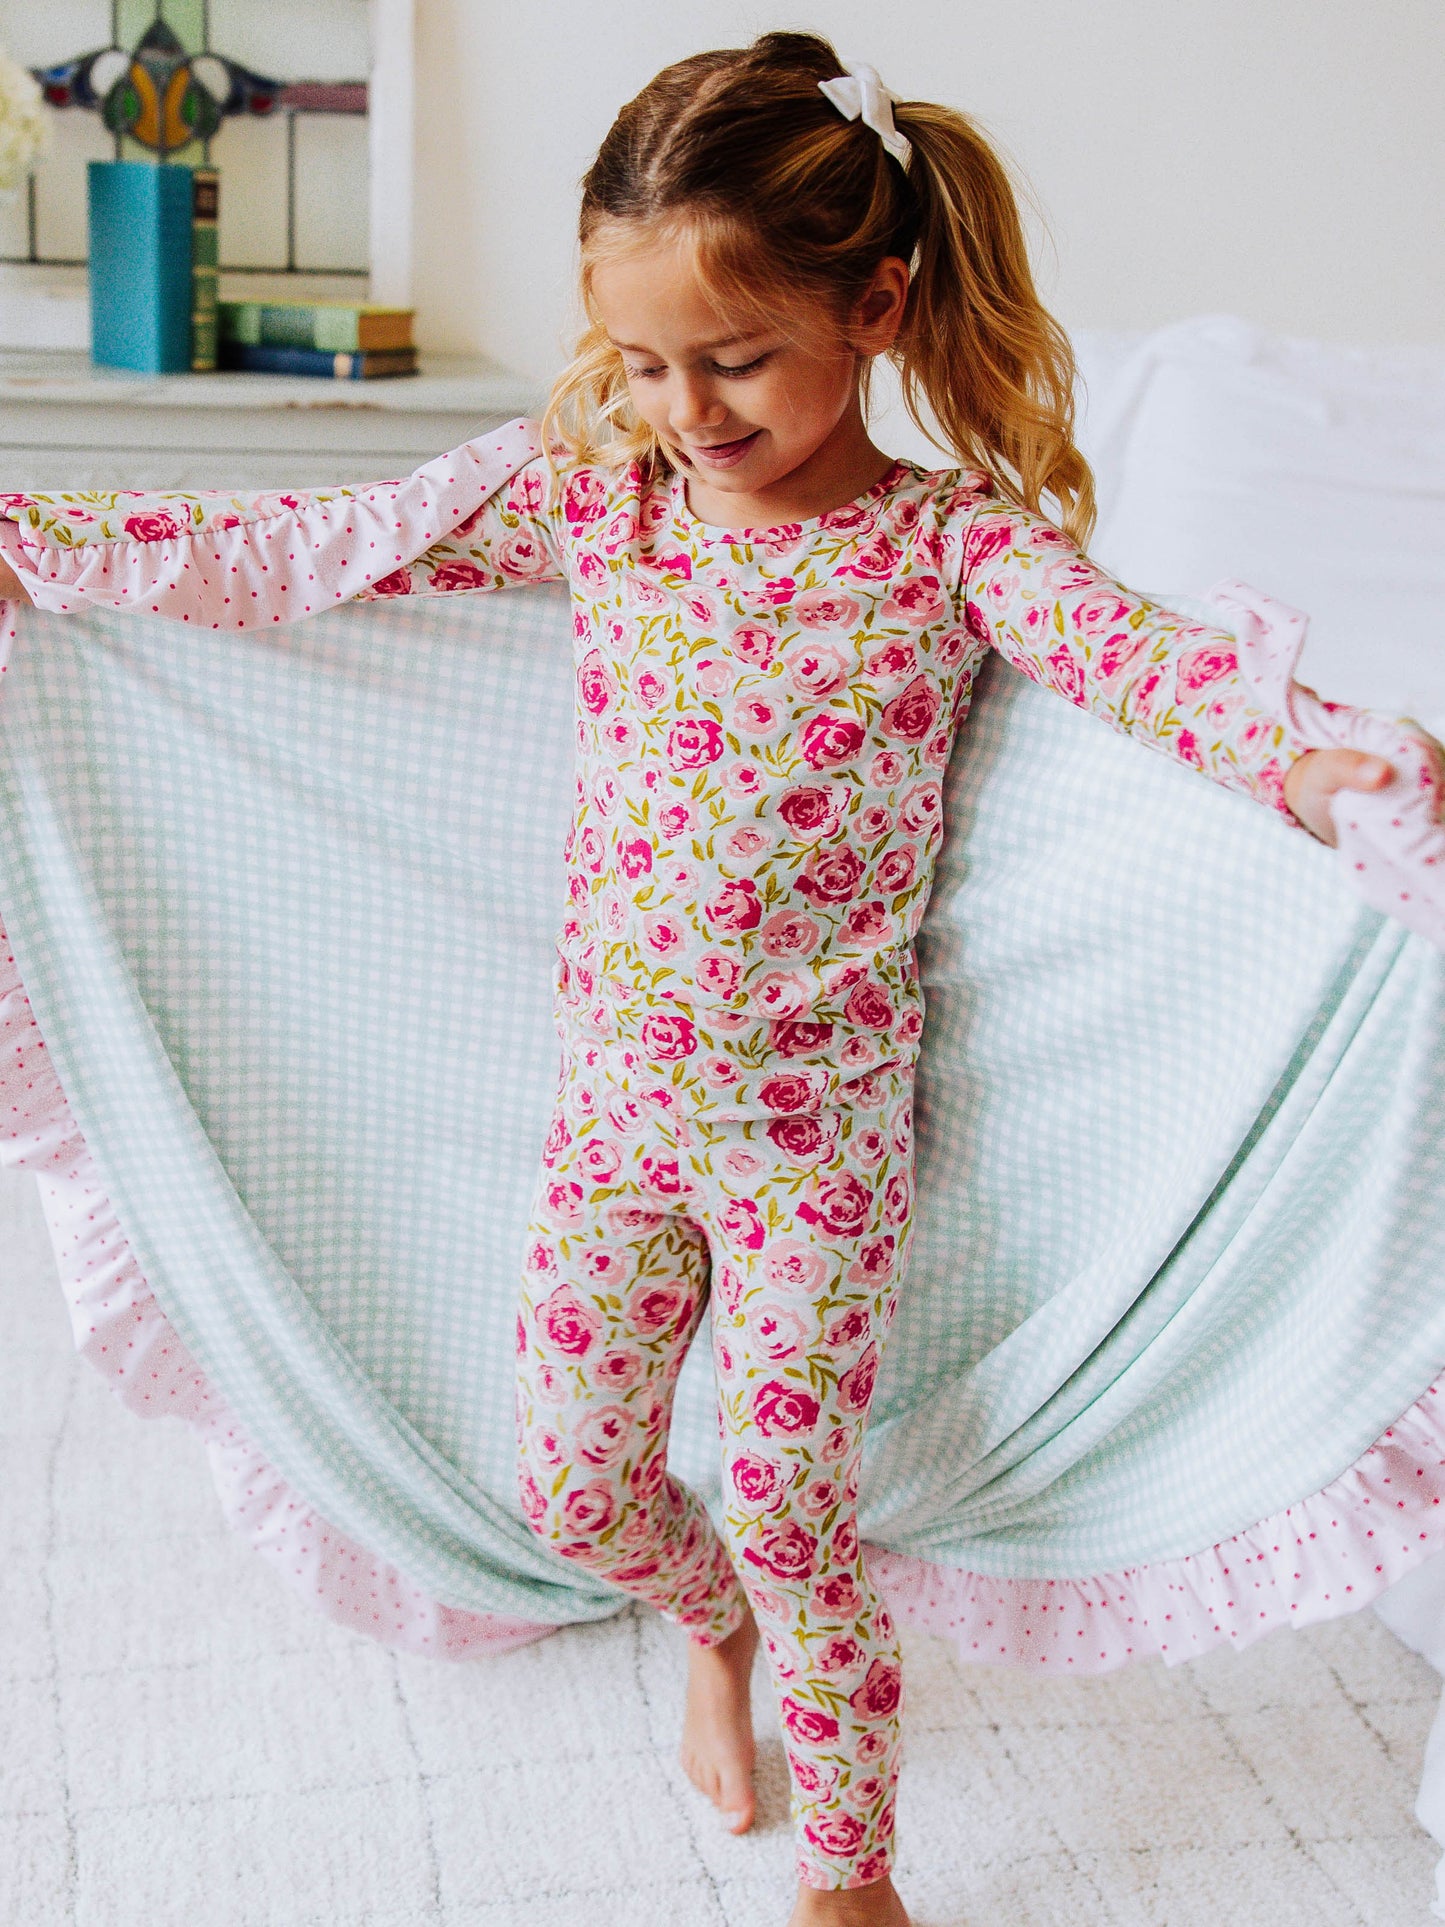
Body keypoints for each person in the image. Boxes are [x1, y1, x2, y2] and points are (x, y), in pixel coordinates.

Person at [0, 32, 1410, 1927]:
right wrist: (50, 550)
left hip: (810, 1152)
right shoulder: (602, 499)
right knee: (580, 1498)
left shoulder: (951, 547)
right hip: (615, 1134)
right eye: (647, 359)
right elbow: (295, 552)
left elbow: (1150, 665)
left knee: (792, 1505)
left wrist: (1319, 762)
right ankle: (706, 1624)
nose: (685, 405)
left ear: (876, 306)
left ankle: (852, 1879)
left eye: (733, 357)